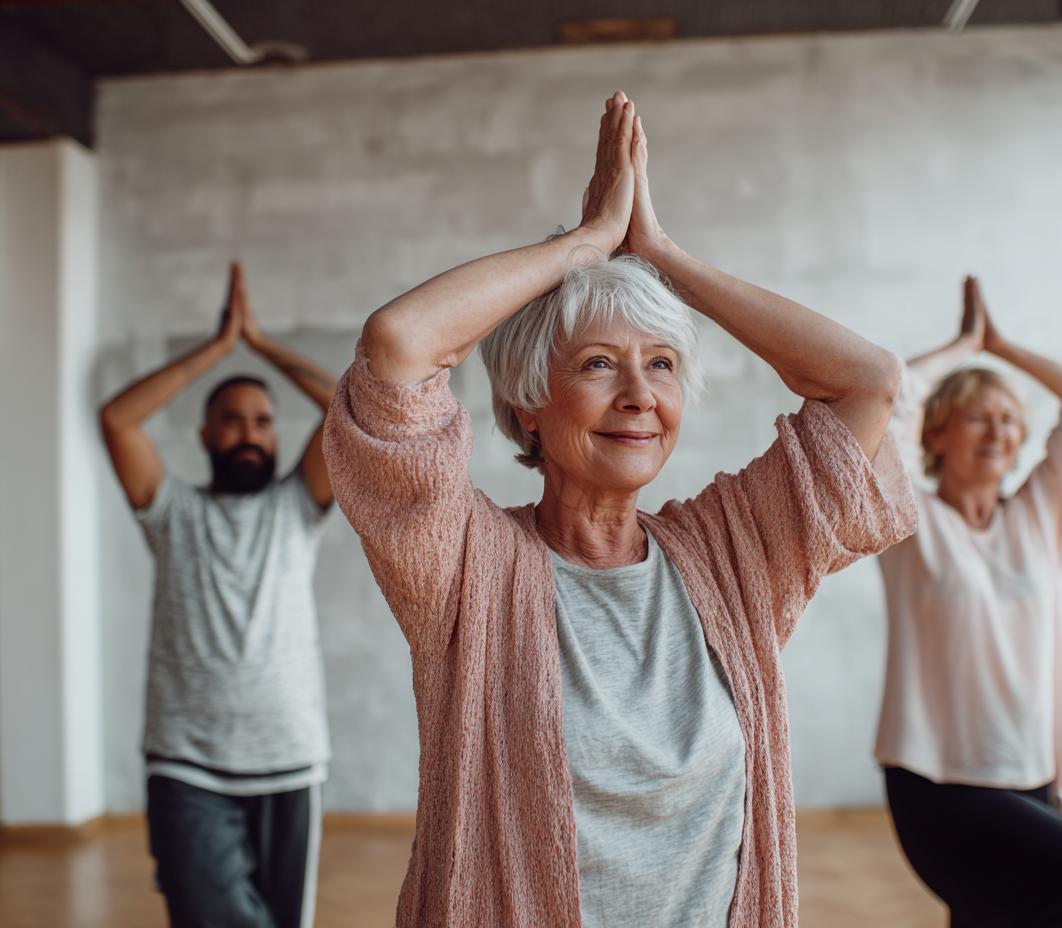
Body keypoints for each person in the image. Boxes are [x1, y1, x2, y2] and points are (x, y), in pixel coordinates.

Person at [323, 91, 917, 928]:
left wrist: (664, 257)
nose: (640, 395)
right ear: (529, 402)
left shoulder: (733, 554)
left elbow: (869, 381)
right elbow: (399, 347)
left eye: (664, 365)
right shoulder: (464, 564)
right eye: (600, 364)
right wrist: (585, 244)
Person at [874, 276, 1062, 926]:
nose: (999, 431)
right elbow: (885, 402)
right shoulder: (907, 519)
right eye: (979, 416)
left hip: (1032, 770)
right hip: (938, 778)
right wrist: (963, 347)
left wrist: (1003, 347)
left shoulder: (1040, 519)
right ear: (937, 434)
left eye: (1010, 420)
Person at [99, 262, 337, 928]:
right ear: (204, 436)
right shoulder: (171, 511)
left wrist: (259, 345)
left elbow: (353, 405)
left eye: (262, 421)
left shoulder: (298, 508)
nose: (249, 433)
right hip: (187, 767)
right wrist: (216, 348)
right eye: (230, 421)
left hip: (291, 763)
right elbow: (117, 420)